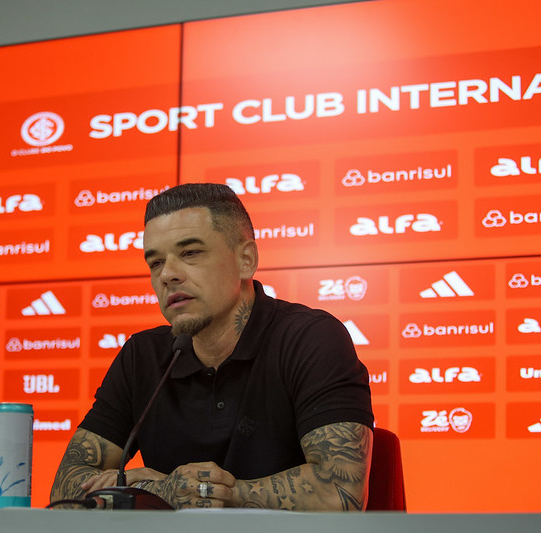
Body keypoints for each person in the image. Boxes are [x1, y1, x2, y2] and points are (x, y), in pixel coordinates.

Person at [50, 183, 374, 510]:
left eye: (190, 253)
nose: (168, 275)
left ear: (245, 260)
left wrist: (213, 494)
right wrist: (155, 490)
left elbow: (341, 493)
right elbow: (64, 492)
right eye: (156, 262)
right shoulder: (142, 356)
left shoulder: (311, 339)